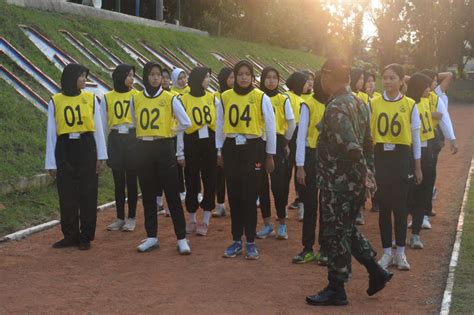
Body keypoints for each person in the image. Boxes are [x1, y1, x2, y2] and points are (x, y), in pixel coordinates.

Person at [307, 57, 392, 306]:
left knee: (334, 234)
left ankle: (336, 288)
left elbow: (353, 146)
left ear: (327, 77)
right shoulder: (358, 102)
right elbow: (368, 142)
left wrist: (365, 173)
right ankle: (377, 272)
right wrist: (369, 172)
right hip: (350, 181)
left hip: (339, 182)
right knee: (347, 230)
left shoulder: (336, 107)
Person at [216, 60, 276, 260]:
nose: (243, 77)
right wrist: (219, 151)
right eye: (239, 73)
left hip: (254, 149)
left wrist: (269, 155)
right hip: (232, 148)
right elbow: (219, 125)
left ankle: (250, 241)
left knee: (250, 196)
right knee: (234, 196)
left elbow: (270, 127)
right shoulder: (224, 97)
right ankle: (235, 240)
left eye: (247, 74)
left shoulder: (260, 97)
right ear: (234, 75)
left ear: (252, 76)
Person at [130, 61, 191, 254]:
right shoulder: (136, 98)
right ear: (146, 76)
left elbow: (186, 122)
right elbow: (134, 122)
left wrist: (170, 131)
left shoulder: (170, 98)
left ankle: (181, 238)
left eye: (159, 75)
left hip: (164, 147)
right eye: (152, 74)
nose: (156, 77)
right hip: (143, 148)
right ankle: (151, 237)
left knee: (172, 194)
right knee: (148, 195)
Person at [45, 63, 107, 250]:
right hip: (65, 148)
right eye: (81, 76)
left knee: (88, 192)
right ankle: (70, 235)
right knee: (67, 193)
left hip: (86, 146)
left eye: (84, 76)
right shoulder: (55, 101)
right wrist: (51, 163)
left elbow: (98, 130)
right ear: (71, 78)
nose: (84, 80)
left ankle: (86, 235)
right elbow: (51, 133)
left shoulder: (90, 99)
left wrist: (101, 156)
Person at [371, 63, 422, 271]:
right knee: (384, 208)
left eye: (392, 78)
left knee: (400, 208)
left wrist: (417, 166)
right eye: (385, 77)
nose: (388, 81)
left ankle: (400, 253)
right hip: (381, 156)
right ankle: (386, 253)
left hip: (402, 157)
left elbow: (416, 139)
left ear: (401, 81)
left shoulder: (410, 105)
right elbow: (368, 135)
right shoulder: (374, 103)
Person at [255, 66, 296, 240]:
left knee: (278, 186)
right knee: (261, 184)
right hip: (258, 146)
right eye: (268, 77)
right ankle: (266, 225)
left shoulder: (282, 99)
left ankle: (282, 225)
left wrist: (285, 142)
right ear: (262, 79)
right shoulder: (256, 97)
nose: (271, 80)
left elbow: (291, 123)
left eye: (275, 77)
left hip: (278, 145)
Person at [292, 71, 327, 264]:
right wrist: (300, 166)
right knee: (311, 204)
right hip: (311, 156)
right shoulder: (309, 104)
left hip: (329, 158)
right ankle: (307, 248)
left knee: (326, 206)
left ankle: (324, 248)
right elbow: (300, 137)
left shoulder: (335, 103)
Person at [178, 67, 216, 236]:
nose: (208, 80)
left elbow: (219, 123)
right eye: (206, 77)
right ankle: (192, 218)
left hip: (209, 141)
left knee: (210, 179)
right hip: (191, 141)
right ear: (197, 78)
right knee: (191, 179)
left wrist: (220, 149)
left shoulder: (212, 97)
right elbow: (179, 127)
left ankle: (206, 220)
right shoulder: (183, 99)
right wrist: (180, 152)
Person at [102, 64, 139, 232]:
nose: (132, 78)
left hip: (132, 137)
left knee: (131, 180)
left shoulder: (137, 95)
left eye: (133, 75)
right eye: (129, 75)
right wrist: (102, 149)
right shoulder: (107, 97)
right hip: (116, 138)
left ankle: (131, 217)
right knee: (118, 181)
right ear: (119, 76)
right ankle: (119, 217)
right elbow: (103, 124)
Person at [405, 73, 435, 249]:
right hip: (409, 152)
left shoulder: (426, 101)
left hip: (426, 151)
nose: (429, 89)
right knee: (407, 195)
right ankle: (400, 234)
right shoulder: (407, 105)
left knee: (423, 192)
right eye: (425, 86)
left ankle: (415, 234)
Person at [284, 72, 309, 220]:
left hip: (298, 136)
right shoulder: (287, 97)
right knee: (288, 173)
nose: (307, 85)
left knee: (298, 172)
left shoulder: (302, 99)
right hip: (291, 135)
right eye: (305, 82)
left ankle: (300, 206)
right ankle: (289, 208)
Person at [212, 67, 234, 218]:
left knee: (235, 174)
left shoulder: (237, 95)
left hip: (235, 139)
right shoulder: (216, 97)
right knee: (219, 174)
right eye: (231, 77)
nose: (234, 80)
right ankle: (220, 205)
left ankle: (236, 204)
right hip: (221, 139)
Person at [171, 67, 189, 201]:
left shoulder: (191, 91)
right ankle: (180, 190)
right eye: (179, 78)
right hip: (178, 129)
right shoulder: (172, 94)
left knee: (190, 161)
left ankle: (194, 190)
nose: (183, 81)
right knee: (178, 161)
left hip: (190, 129)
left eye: (184, 77)